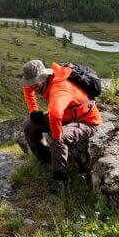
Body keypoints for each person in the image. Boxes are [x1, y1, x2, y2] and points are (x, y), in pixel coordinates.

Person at [19, 60, 101, 193]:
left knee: (58, 138)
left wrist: (56, 138)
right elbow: (27, 89)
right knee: (29, 124)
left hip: (86, 121)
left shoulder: (59, 87)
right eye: (30, 83)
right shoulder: (37, 83)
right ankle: (44, 159)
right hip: (66, 116)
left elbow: (55, 115)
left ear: (43, 77)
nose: (32, 86)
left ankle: (60, 179)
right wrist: (33, 111)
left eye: (34, 83)